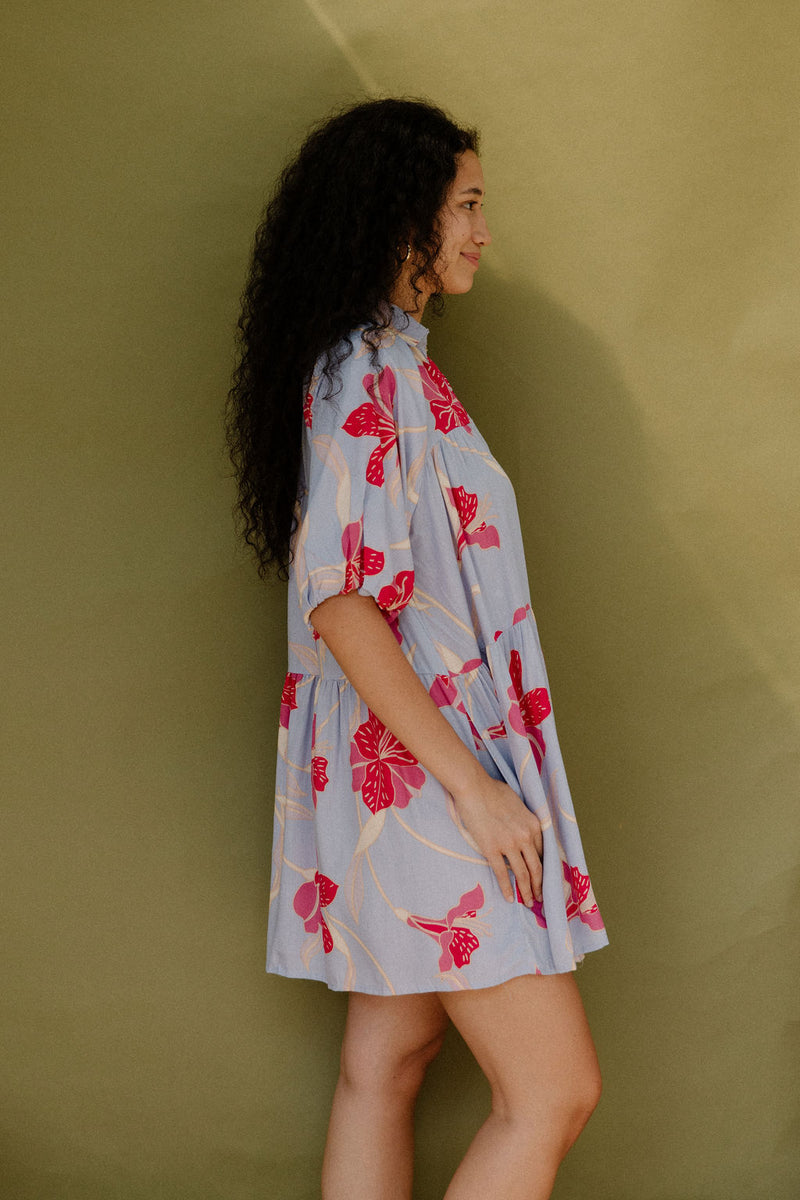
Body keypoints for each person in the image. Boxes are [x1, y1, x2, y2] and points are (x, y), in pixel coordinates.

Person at [227, 97, 608, 1200]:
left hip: (401, 774)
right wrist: (475, 794)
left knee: (384, 1062)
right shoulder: (363, 378)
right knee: (550, 1094)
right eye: (467, 206)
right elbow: (341, 606)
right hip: (422, 782)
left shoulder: (390, 364)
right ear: (403, 218)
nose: (484, 231)